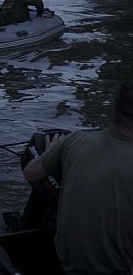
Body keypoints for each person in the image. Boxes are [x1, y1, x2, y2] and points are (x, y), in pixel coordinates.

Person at [23, 82, 133, 274]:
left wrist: (51, 153)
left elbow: (31, 173)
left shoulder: (75, 140)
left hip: (66, 266)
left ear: (113, 108)